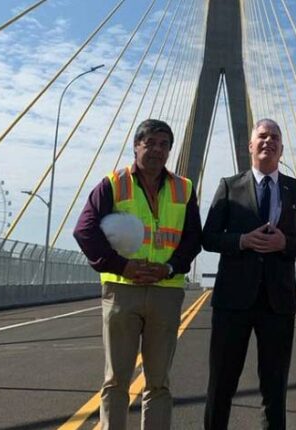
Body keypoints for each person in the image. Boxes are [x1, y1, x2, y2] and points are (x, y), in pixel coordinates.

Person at [73, 119, 202, 430]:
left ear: (170, 151)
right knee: (116, 379)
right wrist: (122, 266)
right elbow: (84, 230)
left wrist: (170, 267)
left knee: (158, 382)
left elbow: (193, 239)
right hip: (122, 290)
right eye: (150, 143)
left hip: (166, 291)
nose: (157, 150)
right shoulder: (113, 184)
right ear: (136, 146)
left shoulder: (184, 188)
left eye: (164, 145)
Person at [202, 118, 296, 429]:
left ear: (281, 148)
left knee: (275, 388)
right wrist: (241, 241)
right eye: (263, 136)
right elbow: (209, 237)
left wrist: (285, 243)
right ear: (250, 145)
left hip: (277, 302)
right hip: (232, 302)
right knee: (221, 385)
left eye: (275, 138)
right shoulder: (229, 186)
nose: (268, 141)